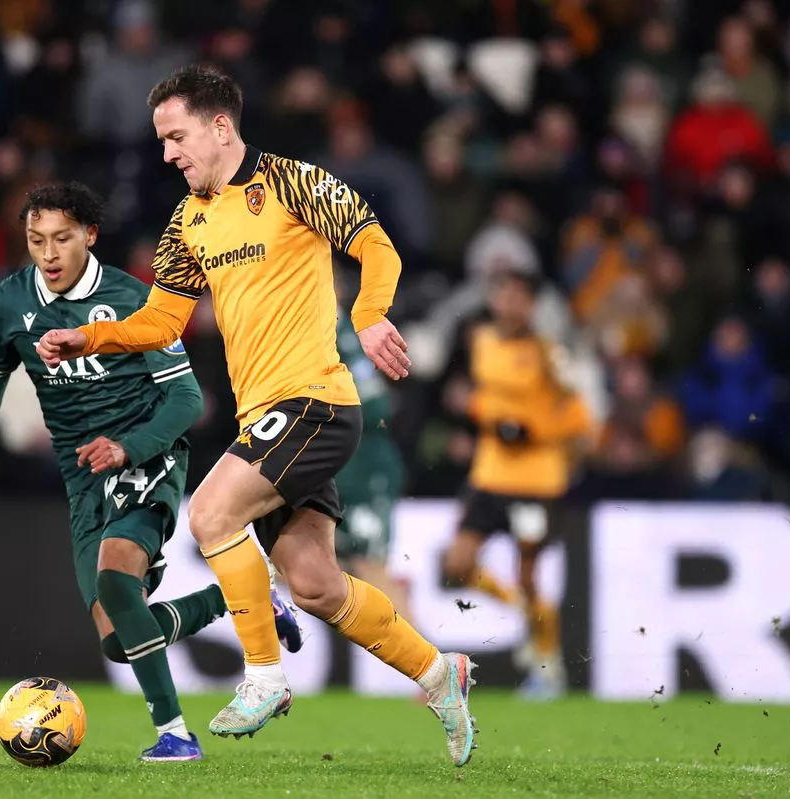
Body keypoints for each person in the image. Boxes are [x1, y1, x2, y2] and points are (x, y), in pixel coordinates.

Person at [38, 66, 478, 767]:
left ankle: (266, 676)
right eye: (160, 141)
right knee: (314, 582)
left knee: (211, 514)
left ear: (221, 127)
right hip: (264, 417)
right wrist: (89, 335)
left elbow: (374, 242)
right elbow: (162, 319)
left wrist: (368, 316)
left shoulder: (293, 183)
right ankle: (438, 673)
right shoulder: (187, 219)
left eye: (176, 136)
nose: (167, 154)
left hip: (315, 401)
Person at [0, 182, 303, 763]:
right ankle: (248, 597)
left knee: (114, 579)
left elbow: (187, 401)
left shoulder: (134, 300)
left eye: (61, 238)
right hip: (81, 478)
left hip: (147, 456)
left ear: (90, 235)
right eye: (36, 241)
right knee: (117, 639)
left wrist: (127, 447)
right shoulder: (8, 304)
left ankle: (175, 735)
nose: (48, 254)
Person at [442, 268, 594, 700]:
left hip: (535, 482)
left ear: (530, 304)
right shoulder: (482, 341)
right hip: (489, 476)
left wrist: (532, 430)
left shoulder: (549, 351)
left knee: (528, 575)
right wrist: (478, 410)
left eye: (516, 297)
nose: (507, 304)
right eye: (501, 295)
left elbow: (578, 414)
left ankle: (548, 671)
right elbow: (483, 397)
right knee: (457, 565)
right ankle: (528, 615)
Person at [331, 273, 414, 635]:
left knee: (370, 566)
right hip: (331, 471)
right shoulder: (303, 329)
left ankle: (434, 667)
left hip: (366, 471)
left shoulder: (345, 333)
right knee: (294, 563)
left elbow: (376, 403)